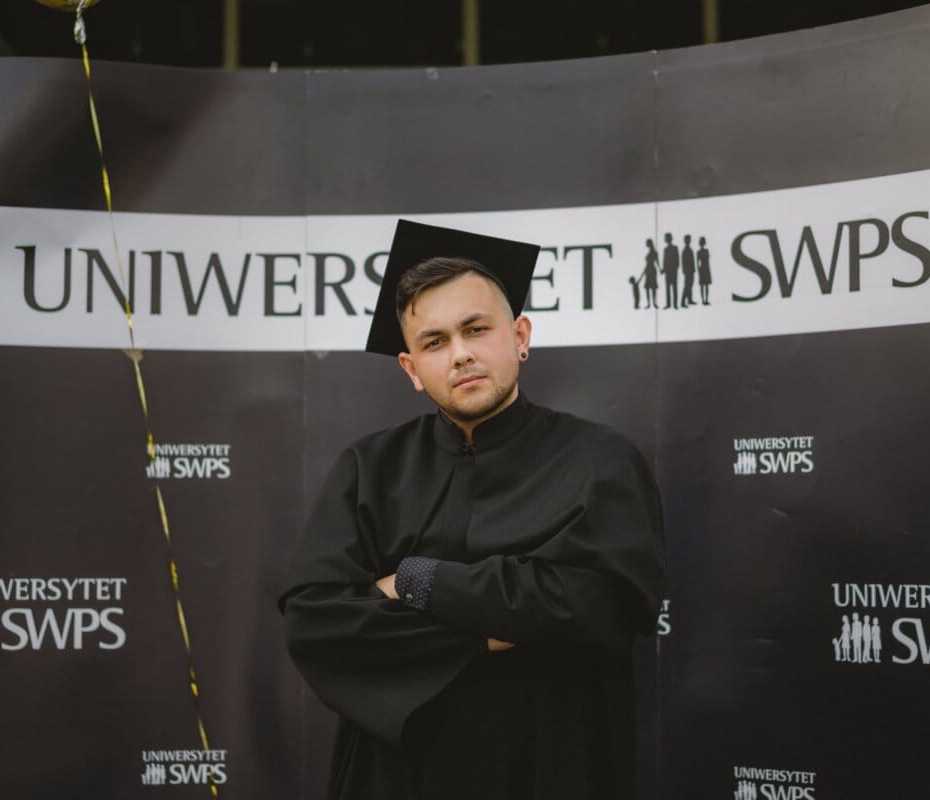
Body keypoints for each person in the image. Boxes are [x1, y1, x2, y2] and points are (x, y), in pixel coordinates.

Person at [279, 219, 667, 800]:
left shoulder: (600, 461)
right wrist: (500, 627)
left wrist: (416, 579)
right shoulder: (369, 469)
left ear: (520, 335)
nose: (460, 354)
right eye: (435, 342)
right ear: (411, 369)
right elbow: (318, 624)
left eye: (476, 329)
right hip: (396, 777)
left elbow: (597, 608)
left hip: (553, 767)